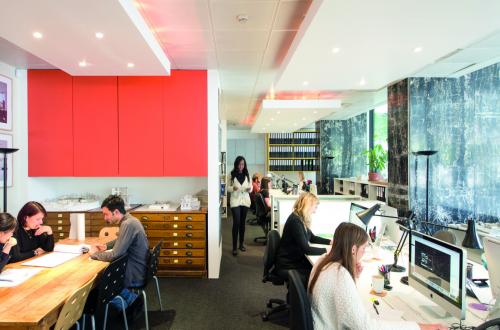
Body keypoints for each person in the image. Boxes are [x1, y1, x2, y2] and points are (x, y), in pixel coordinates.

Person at [308, 222, 447, 330]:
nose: (363, 253)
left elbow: (340, 301)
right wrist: (419, 326)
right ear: (353, 250)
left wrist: (353, 277)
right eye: (363, 249)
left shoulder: (322, 261)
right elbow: (364, 326)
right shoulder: (340, 275)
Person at [89, 195, 149, 313]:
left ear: (115, 212)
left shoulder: (127, 224)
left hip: (135, 273)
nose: (105, 218)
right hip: (139, 266)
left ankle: (128, 307)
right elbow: (121, 240)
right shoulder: (130, 219)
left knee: (101, 284)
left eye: (106, 214)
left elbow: (115, 255)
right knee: (106, 279)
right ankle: (131, 301)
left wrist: (95, 254)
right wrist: (107, 246)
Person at [275, 192, 330, 286]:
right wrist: (328, 251)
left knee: (319, 269)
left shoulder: (300, 218)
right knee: (318, 274)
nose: (315, 211)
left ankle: (300, 297)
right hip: (287, 264)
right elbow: (307, 249)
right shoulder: (295, 221)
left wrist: (331, 242)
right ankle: (301, 299)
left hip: (294, 260)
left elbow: (312, 238)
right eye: (315, 207)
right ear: (308, 206)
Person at [227, 156, 252, 256]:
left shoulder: (247, 174)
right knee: (236, 222)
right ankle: (234, 247)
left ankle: (241, 244)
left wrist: (249, 189)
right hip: (235, 201)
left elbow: (251, 188)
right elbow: (227, 188)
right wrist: (233, 188)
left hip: (245, 201)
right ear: (236, 164)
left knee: (242, 223)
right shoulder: (231, 174)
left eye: (242, 164)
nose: (241, 166)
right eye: (239, 164)